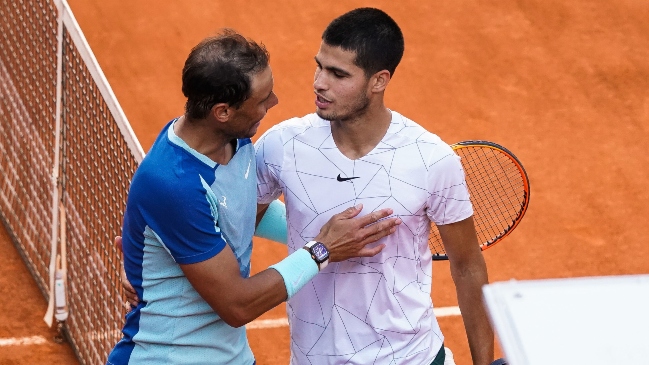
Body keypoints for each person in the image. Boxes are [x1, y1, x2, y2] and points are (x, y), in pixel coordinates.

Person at [106, 29, 402, 365]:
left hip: (231, 357)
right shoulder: (174, 184)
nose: (273, 103)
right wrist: (323, 249)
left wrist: (346, 232)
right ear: (223, 112)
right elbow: (237, 305)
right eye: (261, 100)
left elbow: (243, 214)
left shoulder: (235, 142)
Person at [254, 8, 494, 365]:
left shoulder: (431, 159)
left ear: (378, 81)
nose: (320, 82)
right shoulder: (282, 145)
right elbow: (241, 221)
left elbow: (468, 266)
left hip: (411, 357)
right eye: (320, 66)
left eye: (338, 74)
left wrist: (485, 363)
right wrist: (313, 235)